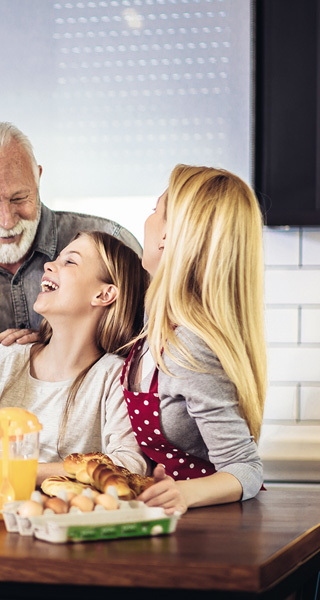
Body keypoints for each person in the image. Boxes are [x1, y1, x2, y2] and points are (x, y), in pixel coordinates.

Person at [0, 231, 149, 488]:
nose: (48, 264)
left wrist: (20, 471)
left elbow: (128, 465)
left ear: (104, 295)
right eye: (57, 258)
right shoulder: (7, 357)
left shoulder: (115, 375)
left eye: (70, 261)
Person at [125, 165, 266, 515]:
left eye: (156, 212)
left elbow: (245, 468)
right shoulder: (151, 324)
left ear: (168, 236)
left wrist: (184, 494)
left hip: (212, 523)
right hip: (164, 517)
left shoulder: (191, 346)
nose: (147, 221)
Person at [0, 121, 143, 349]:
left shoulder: (112, 243)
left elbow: (149, 351)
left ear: (38, 178)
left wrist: (55, 344)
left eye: (19, 198)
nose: (7, 221)